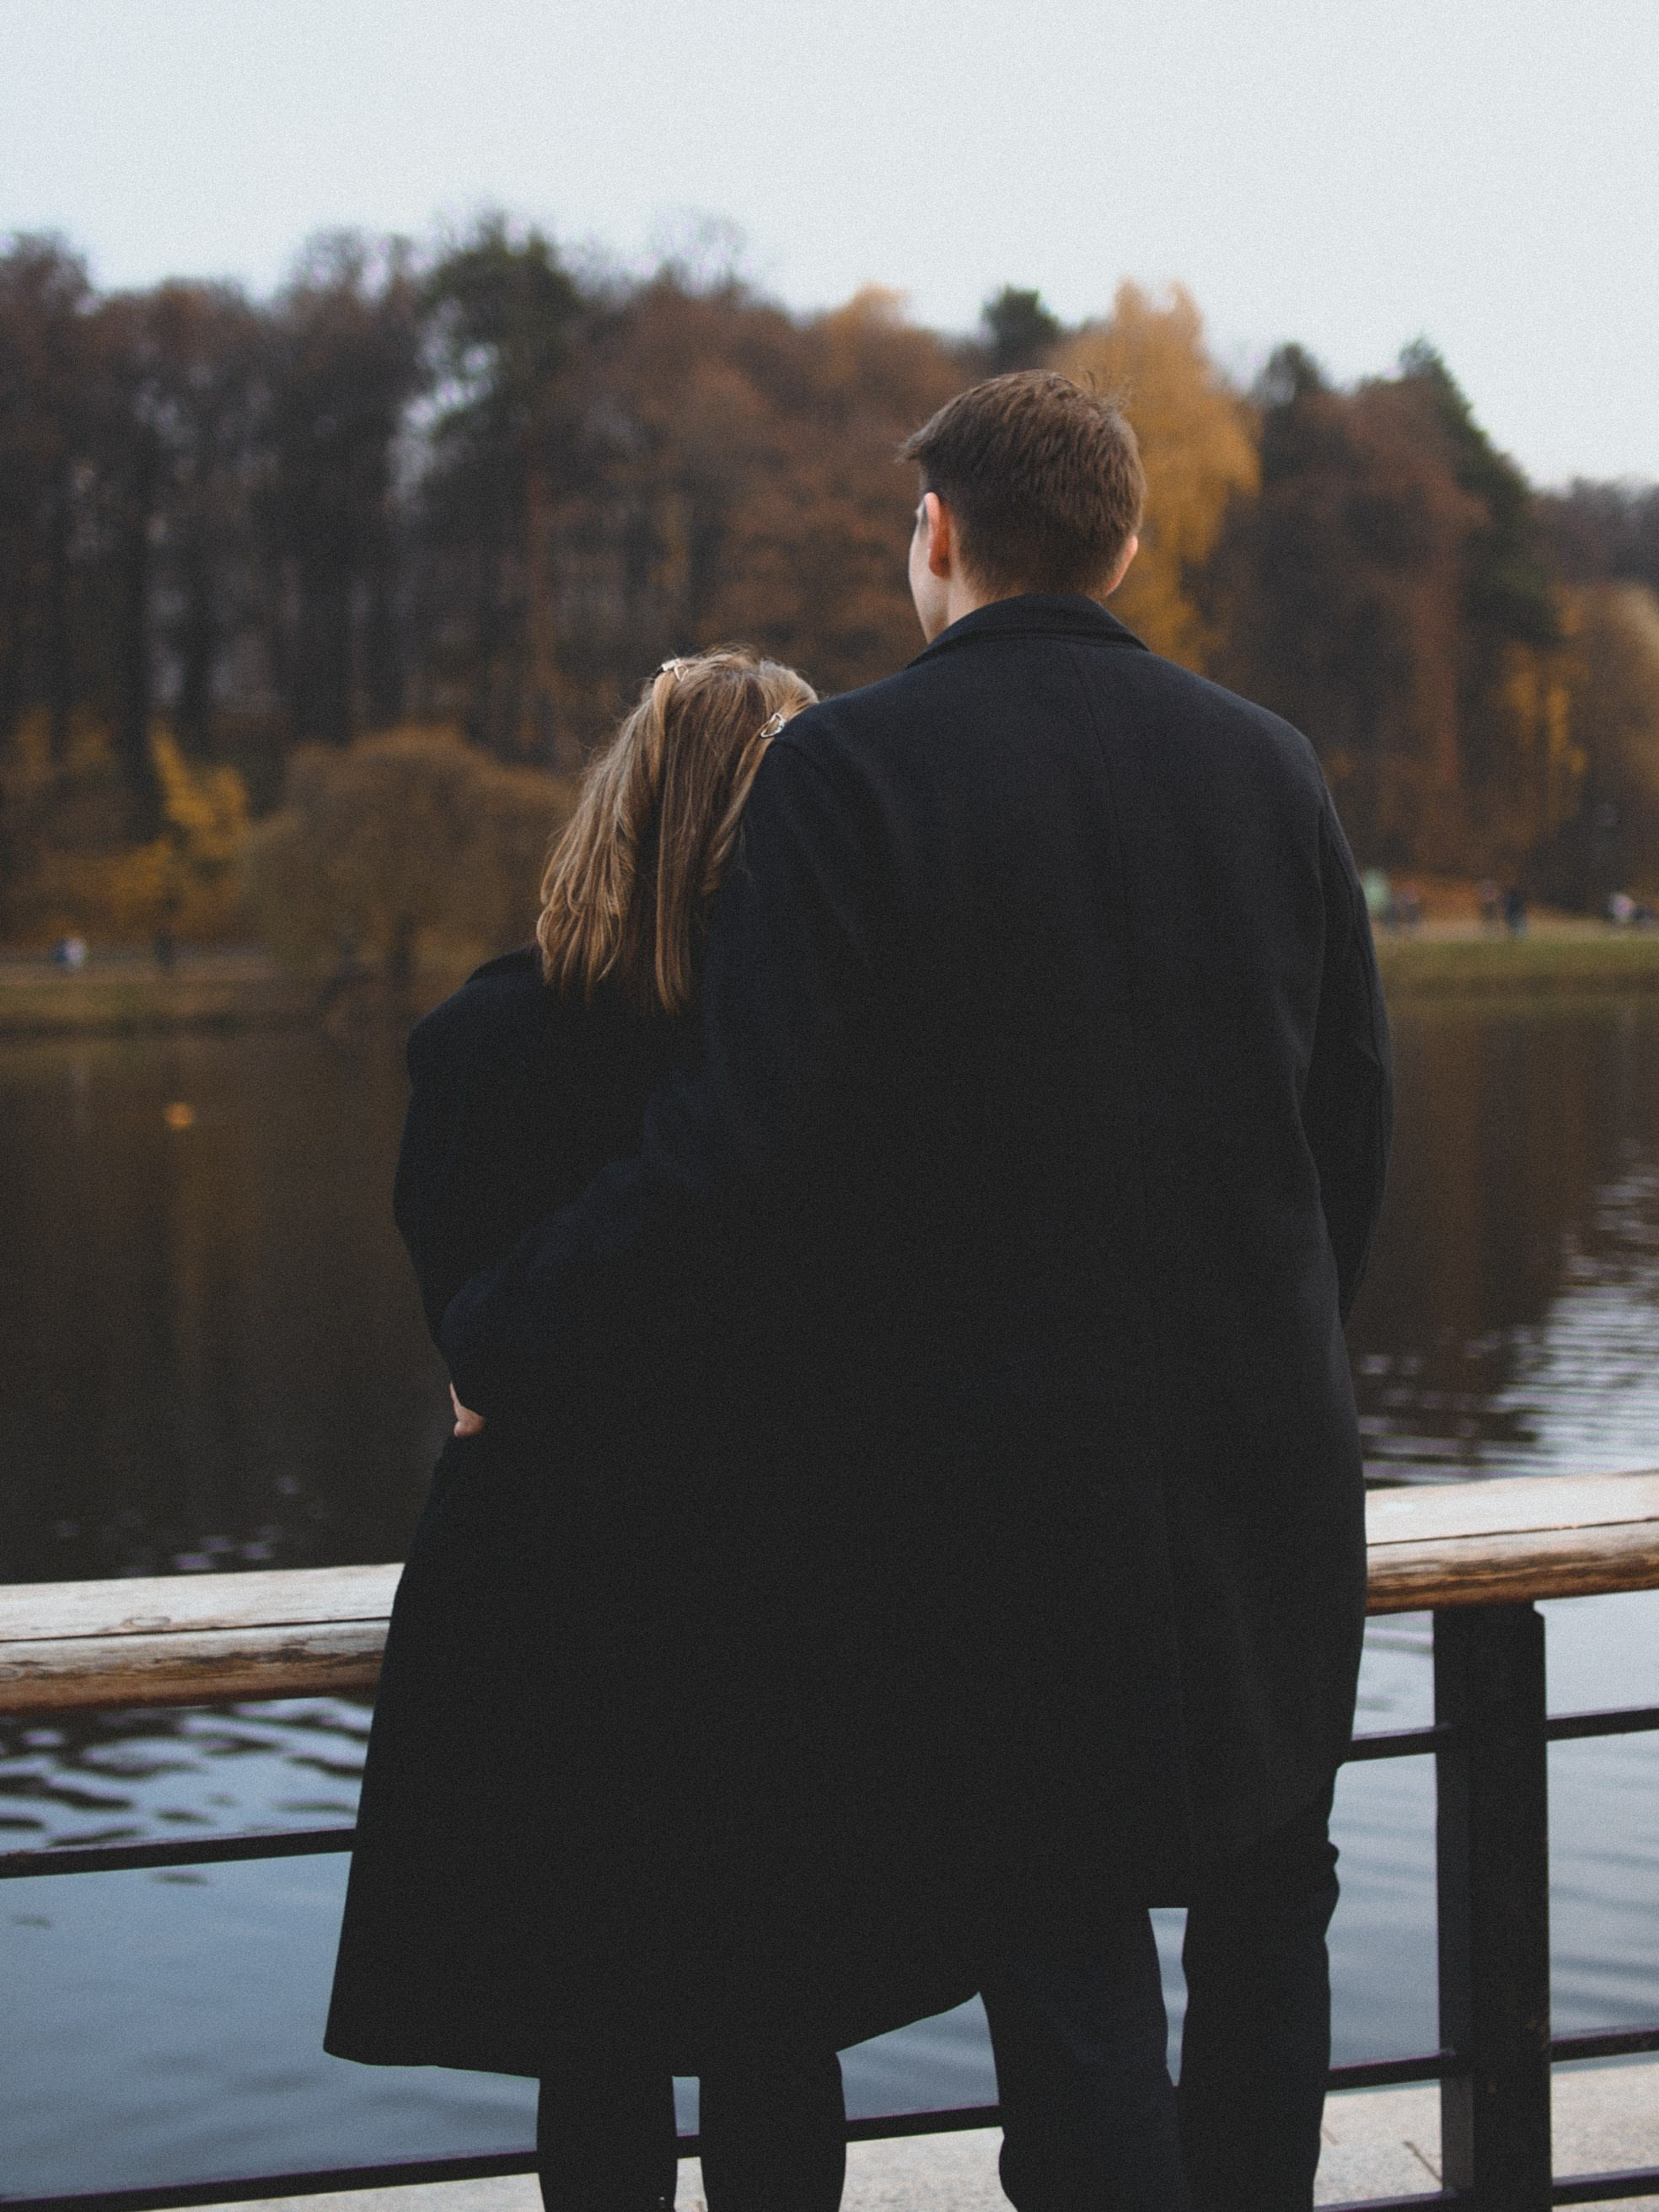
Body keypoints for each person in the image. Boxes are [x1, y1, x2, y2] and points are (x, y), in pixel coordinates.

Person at [444, 371, 1393, 2212]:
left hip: (1013, 1502)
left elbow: (736, 1150)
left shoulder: (854, 771)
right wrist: (1284, 1346)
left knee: (1072, 1961)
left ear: (938, 534)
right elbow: (1347, 1119)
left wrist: (505, 1328)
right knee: (1274, 1927)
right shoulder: (1270, 763)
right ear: (1121, 544)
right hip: (1277, 1482)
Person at [325, 649, 895, 2212]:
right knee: (777, 2024)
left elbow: (471, 1329)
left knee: (599, 2031)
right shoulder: (823, 1056)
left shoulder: (481, 1048)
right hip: (777, 1585)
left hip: (550, 1588)